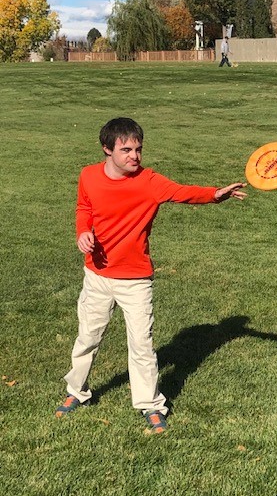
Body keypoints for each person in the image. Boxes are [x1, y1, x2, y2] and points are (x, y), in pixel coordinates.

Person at [55, 117, 246, 433]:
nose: (135, 156)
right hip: (97, 276)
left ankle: (150, 405)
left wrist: (215, 194)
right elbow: (83, 208)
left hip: (135, 280)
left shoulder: (149, 182)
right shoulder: (88, 175)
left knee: (142, 346)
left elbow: (183, 192)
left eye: (138, 149)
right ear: (107, 149)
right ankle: (77, 391)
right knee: (88, 337)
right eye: (126, 149)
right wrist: (82, 232)